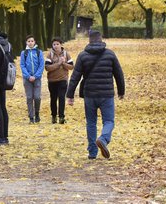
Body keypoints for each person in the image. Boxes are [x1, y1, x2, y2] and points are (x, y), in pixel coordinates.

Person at [67, 30, 125, 160]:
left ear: (89, 40)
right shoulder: (110, 54)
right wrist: (121, 92)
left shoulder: (83, 56)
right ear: (101, 39)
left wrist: (70, 95)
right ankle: (103, 139)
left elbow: (75, 76)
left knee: (91, 122)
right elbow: (119, 74)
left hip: (90, 94)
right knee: (109, 121)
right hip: (107, 94)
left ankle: (92, 152)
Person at [45, 37, 74, 124]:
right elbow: (47, 68)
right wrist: (58, 64)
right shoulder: (50, 55)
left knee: (62, 98)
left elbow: (71, 66)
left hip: (63, 80)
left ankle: (61, 117)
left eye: (57, 44)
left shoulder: (66, 54)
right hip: (52, 80)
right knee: (53, 99)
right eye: (54, 44)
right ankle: (54, 116)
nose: (56, 46)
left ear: (61, 44)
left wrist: (64, 63)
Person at [20, 34, 45, 123]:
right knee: (29, 97)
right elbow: (22, 65)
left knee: (37, 97)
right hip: (27, 79)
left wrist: (36, 76)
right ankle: (31, 116)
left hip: (37, 78)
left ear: (35, 42)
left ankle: (37, 113)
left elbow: (41, 65)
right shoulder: (24, 53)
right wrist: (28, 76)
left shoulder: (39, 52)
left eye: (32, 41)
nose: (30, 43)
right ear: (26, 43)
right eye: (28, 41)